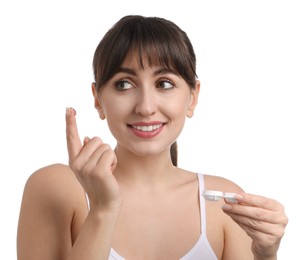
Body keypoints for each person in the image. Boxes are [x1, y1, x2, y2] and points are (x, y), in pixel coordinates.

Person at [17, 15, 288, 260]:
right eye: (124, 84)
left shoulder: (222, 206)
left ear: (193, 97)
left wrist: (266, 256)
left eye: (164, 84)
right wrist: (103, 208)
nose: (145, 107)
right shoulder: (57, 189)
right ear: (98, 99)